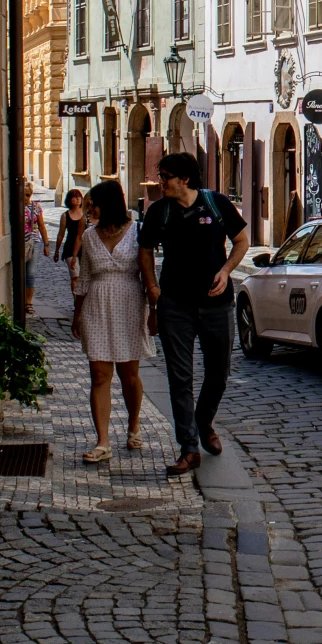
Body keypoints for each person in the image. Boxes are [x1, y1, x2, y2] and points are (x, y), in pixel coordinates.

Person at [138, 151, 248, 477]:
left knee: (219, 372)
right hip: (175, 305)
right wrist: (152, 289)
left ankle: (204, 421)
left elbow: (241, 241)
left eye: (166, 177)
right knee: (179, 377)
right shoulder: (160, 211)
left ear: (184, 179)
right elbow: (144, 251)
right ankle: (188, 448)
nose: (161, 183)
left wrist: (227, 270)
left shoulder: (216, 204)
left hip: (217, 304)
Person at [69, 178, 152, 463]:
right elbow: (85, 277)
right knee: (99, 375)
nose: (90, 210)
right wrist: (77, 313)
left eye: (95, 205)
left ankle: (133, 424)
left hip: (129, 303)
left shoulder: (138, 231)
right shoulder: (90, 236)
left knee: (129, 375)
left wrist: (153, 310)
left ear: (109, 205)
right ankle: (103, 441)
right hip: (97, 305)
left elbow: (147, 273)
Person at [22, 178, 49, 304]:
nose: (26, 197)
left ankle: (28, 302)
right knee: (20, 271)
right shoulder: (16, 207)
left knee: (31, 272)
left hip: (34, 241)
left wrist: (46, 244)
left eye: (28, 195)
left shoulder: (36, 207)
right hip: (20, 242)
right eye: (23, 195)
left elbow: (42, 226)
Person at [55, 189, 87, 266]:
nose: (78, 199)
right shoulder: (65, 216)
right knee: (75, 276)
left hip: (85, 248)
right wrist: (57, 250)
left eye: (79, 197)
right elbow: (61, 234)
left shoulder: (87, 214)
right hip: (70, 247)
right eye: (75, 197)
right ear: (69, 200)